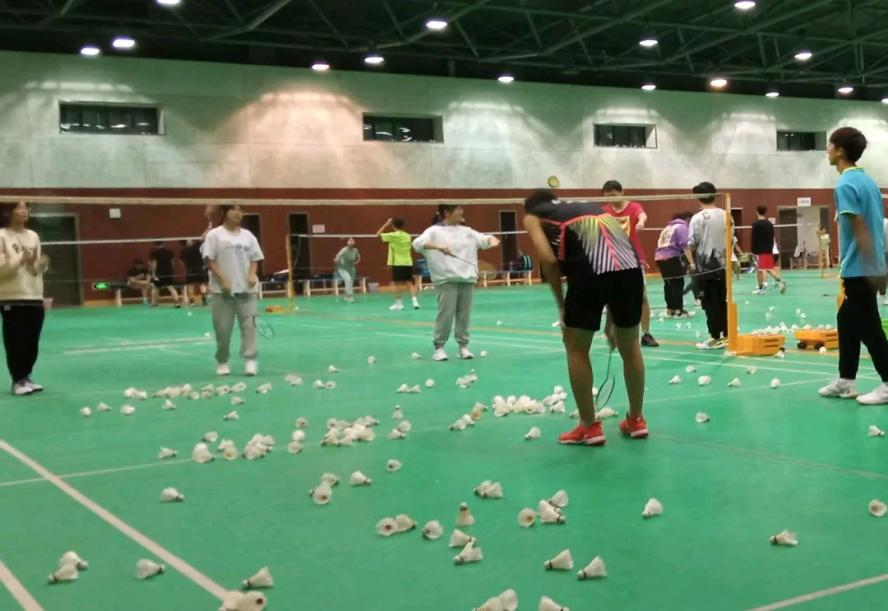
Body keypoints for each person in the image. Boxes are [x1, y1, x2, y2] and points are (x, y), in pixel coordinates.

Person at [522, 190, 648, 445]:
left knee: (576, 348)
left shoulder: (533, 217)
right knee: (630, 346)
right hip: (631, 272)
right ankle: (636, 420)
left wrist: (562, 306)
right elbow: (615, 257)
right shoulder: (591, 208)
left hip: (590, 274)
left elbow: (548, 261)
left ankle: (589, 427)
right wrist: (612, 321)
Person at [818, 127, 888, 404]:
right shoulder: (868, 182)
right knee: (846, 320)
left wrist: (873, 267)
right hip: (869, 265)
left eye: (829, 145)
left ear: (840, 151)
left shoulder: (845, 185)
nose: (827, 150)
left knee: (870, 327)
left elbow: (859, 226)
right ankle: (846, 381)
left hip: (860, 268)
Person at [412, 204, 500, 361]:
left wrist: (491, 239)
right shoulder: (433, 231)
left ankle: (463, 347)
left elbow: (484, 239)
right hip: (446, 280)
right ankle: (439, 348)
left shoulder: (467, 231)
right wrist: (438, 246)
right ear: (446, 212)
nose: (461, 211)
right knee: (445, 315)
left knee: (464, 316)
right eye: (458, 209)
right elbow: (417, 244)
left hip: (467, 279)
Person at [203, 204, 265, 377]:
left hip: (247, 291)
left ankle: (250, 359)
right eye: (234, 210)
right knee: (223, 330)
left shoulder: (248, 236)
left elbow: (255, 258)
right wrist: (223, 280)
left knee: (250, 327)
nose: (238, 213)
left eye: (241, 210)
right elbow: (209, 260)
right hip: (222, 292)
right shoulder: (214, 235)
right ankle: (222, 360)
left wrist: (251, 275)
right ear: (224, 213)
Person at [601, 180, 658, 348]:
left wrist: (640, 223)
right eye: (607, 196)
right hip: (611, 260)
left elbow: (642, 215)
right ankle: (613, 331)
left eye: (613, 195)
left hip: (633, 259)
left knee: (642, 296)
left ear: (622, 192)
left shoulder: (633, 207)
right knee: (611, 297)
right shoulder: (604, 211)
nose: (611, 199)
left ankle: (646, 333)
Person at [0, 201, 48, 396]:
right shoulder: (2, 236)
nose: (24, 210)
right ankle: (17, 380)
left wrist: (41, 265)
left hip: (34, 295)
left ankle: (26, 376)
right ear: (8, 212)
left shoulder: (33, 236)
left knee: (31, 341)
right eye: (19, 207)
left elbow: (35, 269)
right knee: (15, 340)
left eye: (26, 207)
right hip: (11, 297)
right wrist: (20, 260)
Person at [684, 182, 728, 350]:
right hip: (724, 267)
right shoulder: (726, 215)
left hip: (705, 268)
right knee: (723, 300)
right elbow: (731, 240)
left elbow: (690, 244)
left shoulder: (697, 218)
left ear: (698, 197)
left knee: (710, 303)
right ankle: (727, 334)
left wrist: (692, 264)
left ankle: (715, 337)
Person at [655, 212, 692, 317]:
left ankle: (670, 309)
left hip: (659, 258)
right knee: (678, 283)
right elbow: (685, 246)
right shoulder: (682, 227)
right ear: (687, 219)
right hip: (672, 257)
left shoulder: (667, 228)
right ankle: (678, 310)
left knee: (668, 284)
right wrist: (692, 262)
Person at [377, 218, 419, 311]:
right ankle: (415, 302)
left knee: (397, 284)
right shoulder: (408, 236)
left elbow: (378, 234)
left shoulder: (393, 235)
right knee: (410, 283)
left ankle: (399, 304)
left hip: (398, 263)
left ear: (393, 225)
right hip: (408, 262)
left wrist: (386, 224)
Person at [751, 206, 786, 295]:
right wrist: (770, 249)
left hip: (760, 251)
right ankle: (780, 282)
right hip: (769, 250)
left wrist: (753, 250)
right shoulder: (770, 224)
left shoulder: (756, 224)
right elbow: (771, 238)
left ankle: (763, 288)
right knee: (766, 269)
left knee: (762, 270)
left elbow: (754, 238)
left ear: (757, 212)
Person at [149, 241, 181, 308]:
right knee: (170, 287)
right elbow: (172, 263)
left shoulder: (154, 253)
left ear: (155, 245)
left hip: (159, 273)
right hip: (168, 273)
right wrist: (170, 271)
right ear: (163, 243)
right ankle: (177, 302)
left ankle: (155, 303)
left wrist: (153, 273)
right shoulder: (169, 252)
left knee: (156, 288)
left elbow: (154, 263)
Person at [180, 239, 208, 306]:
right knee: (201, 284)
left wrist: (184, 269)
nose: (191, 241)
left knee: (191, 285)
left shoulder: (184, 250)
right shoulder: (197, 247)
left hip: (190, 269)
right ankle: (202, 299)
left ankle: (193, 301)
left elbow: (181, 262)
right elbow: (202, 238)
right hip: (198, 269)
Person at [334, 237, 361, 303]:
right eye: (349, 240)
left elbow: (359, 257)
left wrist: (357, 262)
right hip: (342, 268)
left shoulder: (355, 250)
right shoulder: (344, 249)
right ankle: (350, 296)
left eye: (352, 240)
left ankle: (346, 295)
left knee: (350, 282)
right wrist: (336, 258)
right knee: (348, 280)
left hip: (351, 268)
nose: (351, 241)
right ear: (347, 242)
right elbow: (339, 254)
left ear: (354, 242)